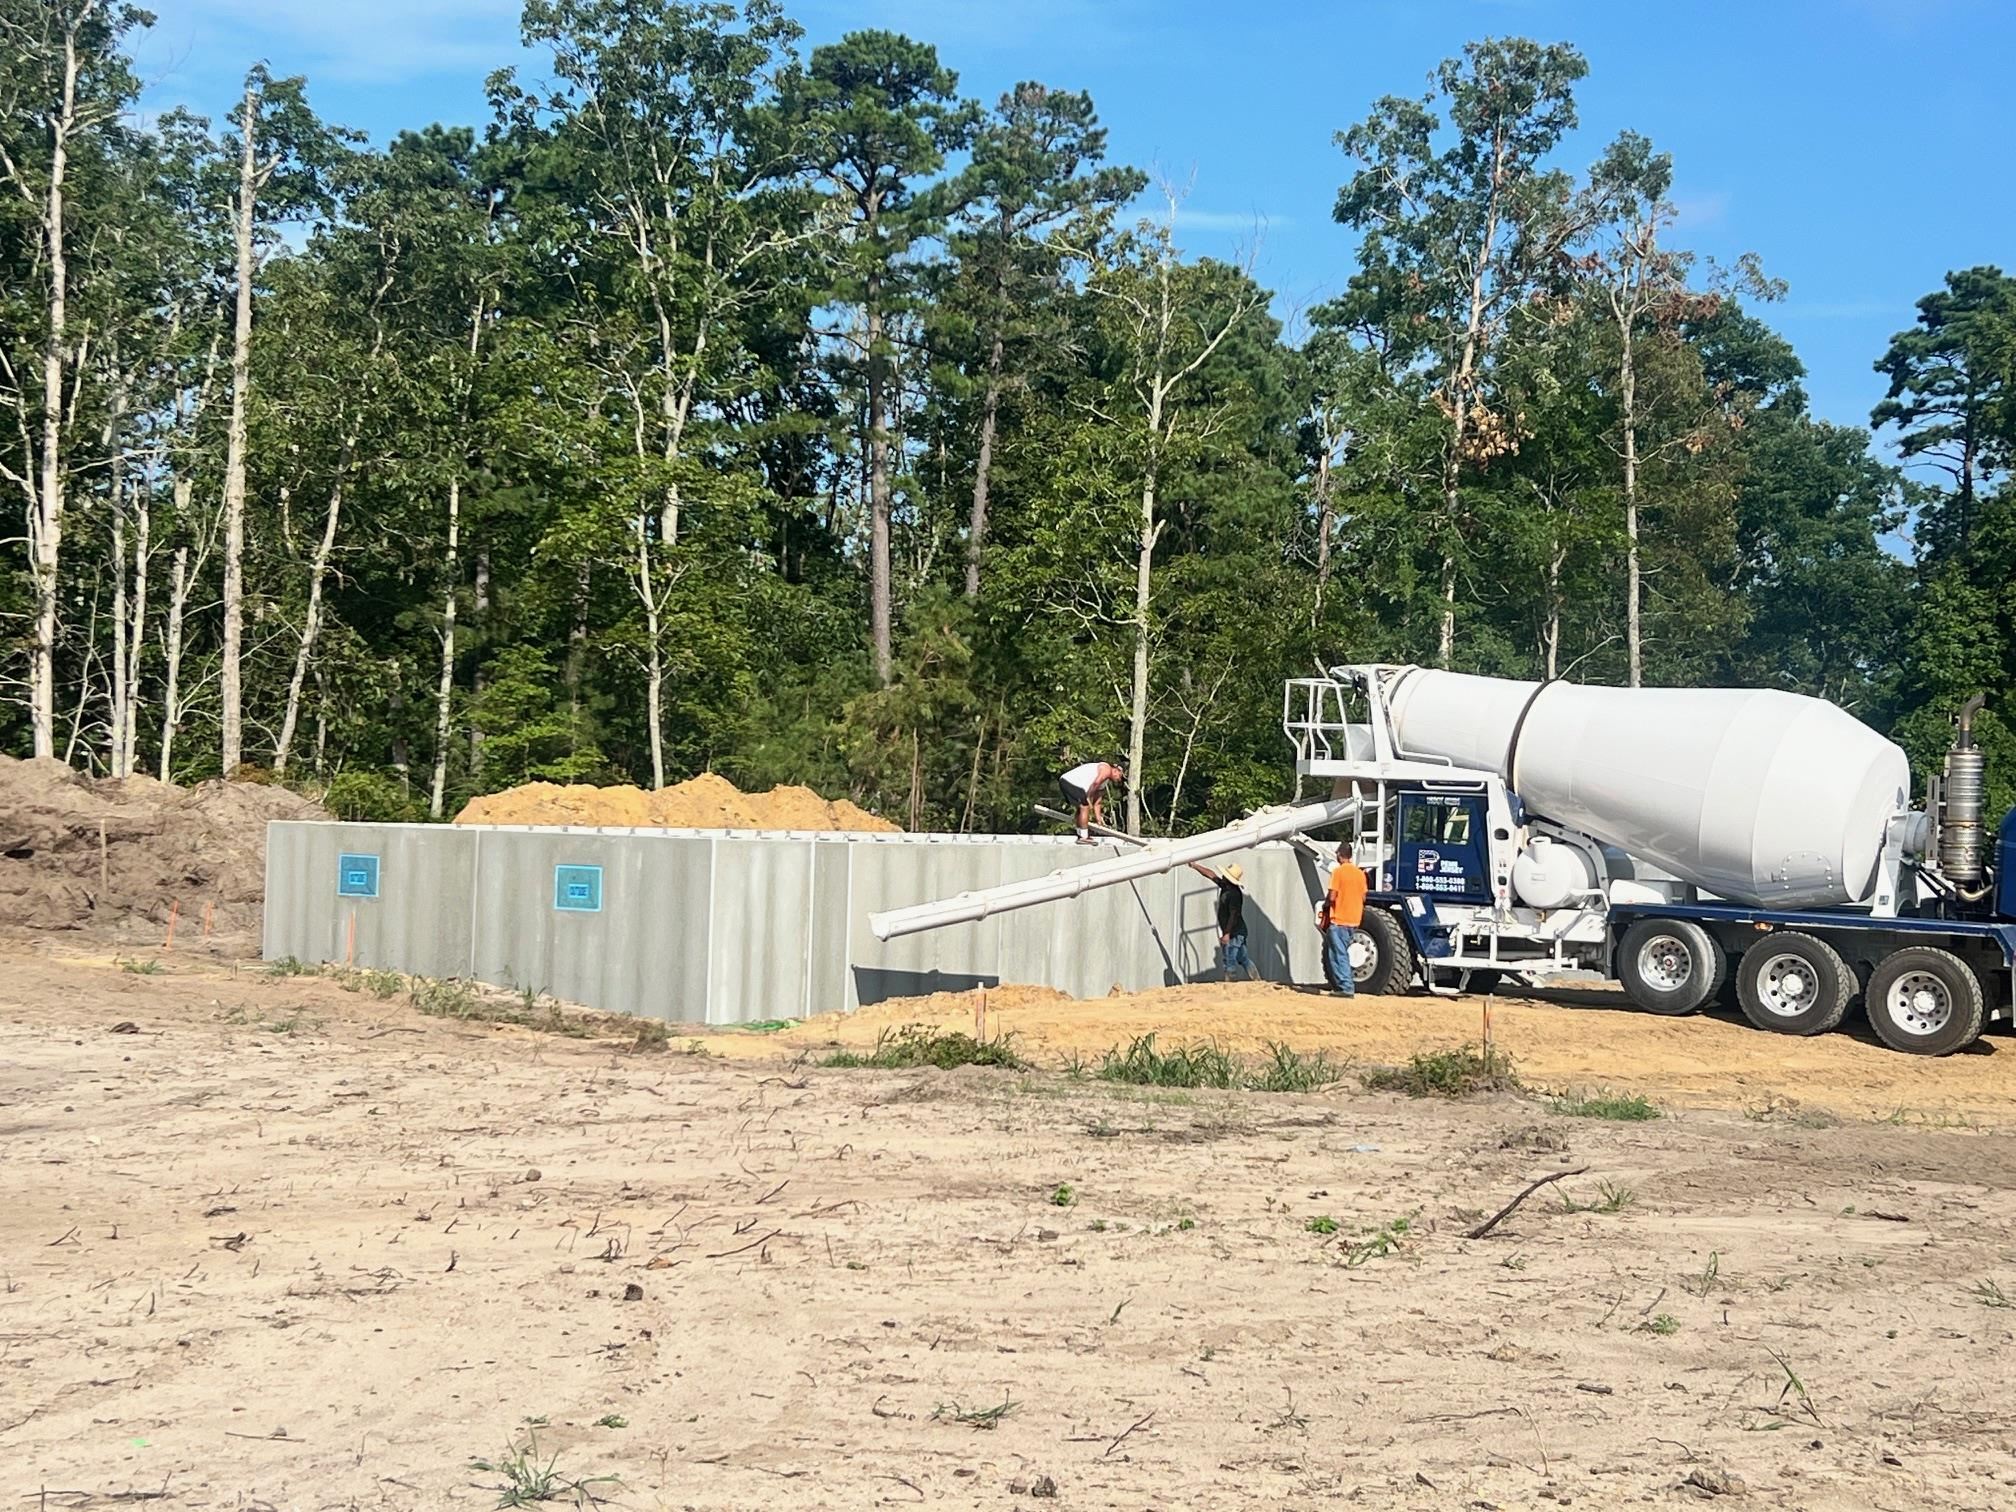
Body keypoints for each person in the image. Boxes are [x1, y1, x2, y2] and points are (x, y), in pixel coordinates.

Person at [1188, 860, 1252, 980]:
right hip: (1236, 930)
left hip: (1235, 932)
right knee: (1242, 958)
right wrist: (1195, 866)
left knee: (1229, 957)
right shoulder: (1225, 886)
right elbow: (1211, 875)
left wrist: (1227, 934)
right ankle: (1257, 980)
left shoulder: (1234, 894)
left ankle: (1230, 984)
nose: (1222, 877)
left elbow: (1234, 915)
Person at [1319, 842, 1368, 997]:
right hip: (1354, 919)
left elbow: (1332, 896)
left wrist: (1326, 905)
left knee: (1338, 954)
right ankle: (1341, 986)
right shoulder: (1360, 873)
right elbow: (1364, 896)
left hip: (1339, 919)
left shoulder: (1338, 872)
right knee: (1340, 952)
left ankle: (1346, 987)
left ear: (1340, 855)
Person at [1058, 759, 1126, 843]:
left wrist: (1099, 820)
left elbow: (1097, 803)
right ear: (1116, 770)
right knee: (1085, 806)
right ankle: (1084, 837)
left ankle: (1080, 833)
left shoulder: (1105, 782)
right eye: (1120, 776)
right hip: (1070, 782)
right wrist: (1088, 798)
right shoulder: (1106, 769)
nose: (1119, 780)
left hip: (1067, 782)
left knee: (1081, 808)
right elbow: (1095, 783)